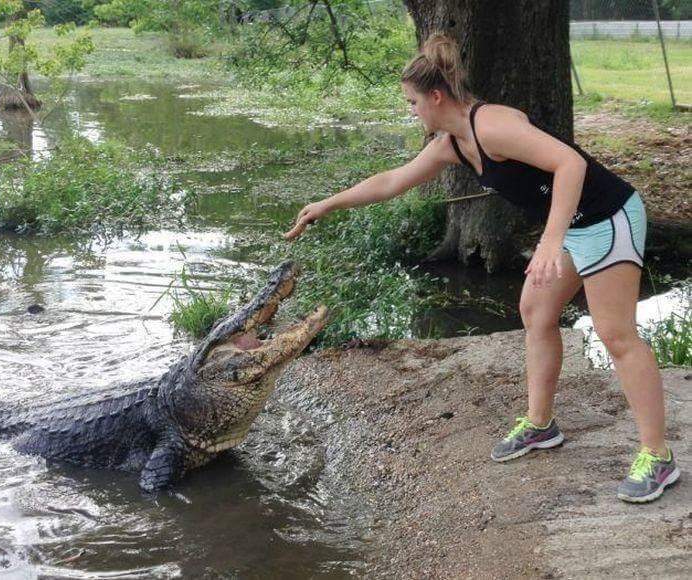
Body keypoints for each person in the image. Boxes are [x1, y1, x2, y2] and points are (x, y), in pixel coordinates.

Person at [283, 33, 679, 503]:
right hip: (574, 226)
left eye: (412, 102)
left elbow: (569, 164)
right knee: (536, 311)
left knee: (617, 335)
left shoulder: (490, 125)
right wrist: (325, 204)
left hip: (608, 217)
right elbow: (392, 181)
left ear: (436, 96)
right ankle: (540, 424)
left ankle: (658, 456)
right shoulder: (453, 144)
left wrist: (550, 240)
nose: (411, 111)